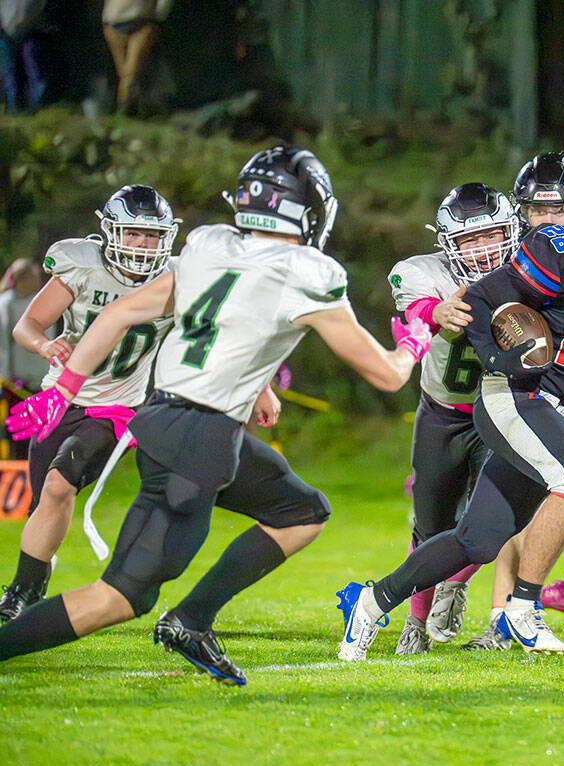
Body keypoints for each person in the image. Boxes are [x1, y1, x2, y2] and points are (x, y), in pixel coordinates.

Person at [0, 146, 429, 684]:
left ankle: (192, 619)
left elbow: (119, 313)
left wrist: (64, 387)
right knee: (119, 597)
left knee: (303, 512)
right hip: (196, 441)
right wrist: (417, 336)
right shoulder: (306, 271)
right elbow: (389, 375)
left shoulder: (208, 245)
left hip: (173, 421)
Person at [338, 160, 564, 659]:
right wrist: (500, 358)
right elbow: (480, 297)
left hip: (554, 407)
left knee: (477, 539)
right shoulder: (559, 251)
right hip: (515, 397)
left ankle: (370, 602)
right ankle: (522, 609)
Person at [0, 187, 179, 623]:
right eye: (133, 233)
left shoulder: (177, 279)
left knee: (61, 487)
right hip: (58, 398)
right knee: (44, 504)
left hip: (116, 409)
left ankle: (20, 592)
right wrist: (45, 345)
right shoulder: (82, 265)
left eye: (152, 235)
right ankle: (36, 577)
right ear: (112, 230)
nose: (142, 244)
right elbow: (28, 325)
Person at [385, 182, 520, 655]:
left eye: (492, 236)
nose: (484, 249)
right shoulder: (424, 273)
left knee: (494, 524)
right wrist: (437, 310)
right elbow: (415, 311)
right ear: (449, 244)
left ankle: (455, 583)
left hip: (503, 416)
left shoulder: (532, 272)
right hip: (442, 415)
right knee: (430, 526)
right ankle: (415, 622)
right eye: (470, 240)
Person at [0, 258, 53, 392]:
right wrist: (5, 378)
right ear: (22, 279)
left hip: (42, 379)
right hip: (17, 384)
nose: (38, 280)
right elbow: (3, 345)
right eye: (34, 276)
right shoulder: (6, 304)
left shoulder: (43, 300)